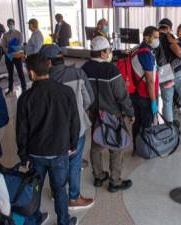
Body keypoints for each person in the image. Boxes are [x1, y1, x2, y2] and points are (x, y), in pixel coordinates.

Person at [17, 53, 79, 225]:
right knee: (60, 189)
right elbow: (75, 121)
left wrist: (23, 156)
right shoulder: (66, 92)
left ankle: (33, 220)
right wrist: (73, 143)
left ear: (30, 73)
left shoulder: (25, 98)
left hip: (36, 153)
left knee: (33, 189)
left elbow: (21, 131)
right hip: (60, 151)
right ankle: (64, 222)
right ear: (49, 65)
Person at [39, 44, 95, 209]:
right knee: (74, 163)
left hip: (51, 131)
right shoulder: (78, 73)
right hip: (75, 128)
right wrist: (78, 110)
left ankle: (58, 195)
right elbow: (89, 99)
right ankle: (74, 197)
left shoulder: (42, 79)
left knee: (57, 163)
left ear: (47, 62)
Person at [82, 36, 134, 192]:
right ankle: (114, 182)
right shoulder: (111, 70)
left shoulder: (84, 69)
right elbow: (121, 96)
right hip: (112, 114)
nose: (110, 53)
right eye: (109, 50)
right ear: (103, 53)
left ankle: (98, 177)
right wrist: (130, 112)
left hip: (94, 113)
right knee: (116, 146)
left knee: (96, 144)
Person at [155, 18, 181, 123]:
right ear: (169, 28)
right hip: (178, 71)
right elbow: (177, 51)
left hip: (163, 72)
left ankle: (169, 127)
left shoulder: (155, 39)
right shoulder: (168, 37)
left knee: (167, 101)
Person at [131, 26, 160, 148]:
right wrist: (153, 101)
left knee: (137, 121)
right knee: (146, 124)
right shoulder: (146, 54)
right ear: (147, 37)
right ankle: (145, 148)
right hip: (145, 95)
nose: (157, 40)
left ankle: (136, 147)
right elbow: (149, 81)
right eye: (155, 37)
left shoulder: (136, 49)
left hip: (135, 93)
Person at [1, 19, 26, 94]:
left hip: (17, 56)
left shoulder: (19, 34)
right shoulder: (5, 35)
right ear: (7, 25)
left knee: (20, 72)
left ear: (14, 24)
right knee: (10, 73)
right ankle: (10, 88)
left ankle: (24, 88)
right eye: (9, 24)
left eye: (11, 24)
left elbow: (20, 45)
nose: (10, 25)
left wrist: (11, 49)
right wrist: (7, 50)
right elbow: (3, 46)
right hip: (8, 56)